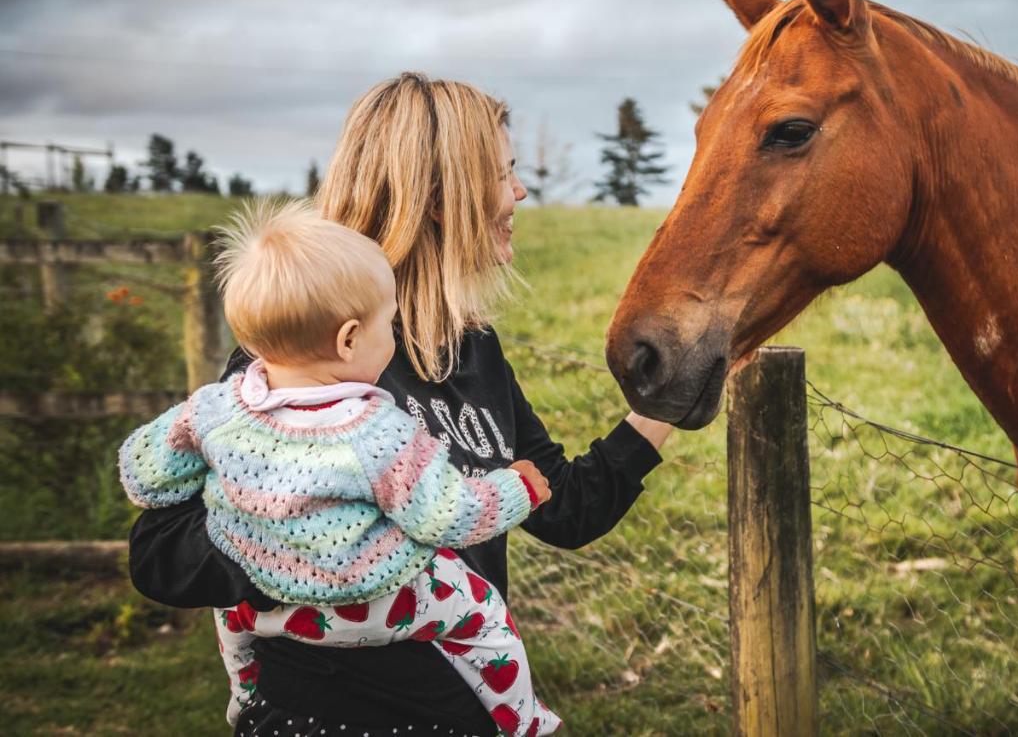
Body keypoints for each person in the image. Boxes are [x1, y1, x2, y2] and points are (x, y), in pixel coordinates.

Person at [127, 73, 674, 737]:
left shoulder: (472, 349)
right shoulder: (300, 359)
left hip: (460, 719)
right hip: (315, 719)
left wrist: (671, 398)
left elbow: (559, 505)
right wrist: (326, 540)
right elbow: (160, 553)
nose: (521, 192)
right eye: (505, 173)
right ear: (442, 199)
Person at [119, 200, 559, 736]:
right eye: (389, 325)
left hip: (265, 607)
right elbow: (447, 515)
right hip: (379, 603)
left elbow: (146, 470)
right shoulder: (377, 429)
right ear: (349, 338)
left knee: (229, 620)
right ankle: (526, 720)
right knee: (482, 612)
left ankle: (243, 696)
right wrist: (517, 488)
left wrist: (216, 492)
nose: (392, 339)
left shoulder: (216, 408)